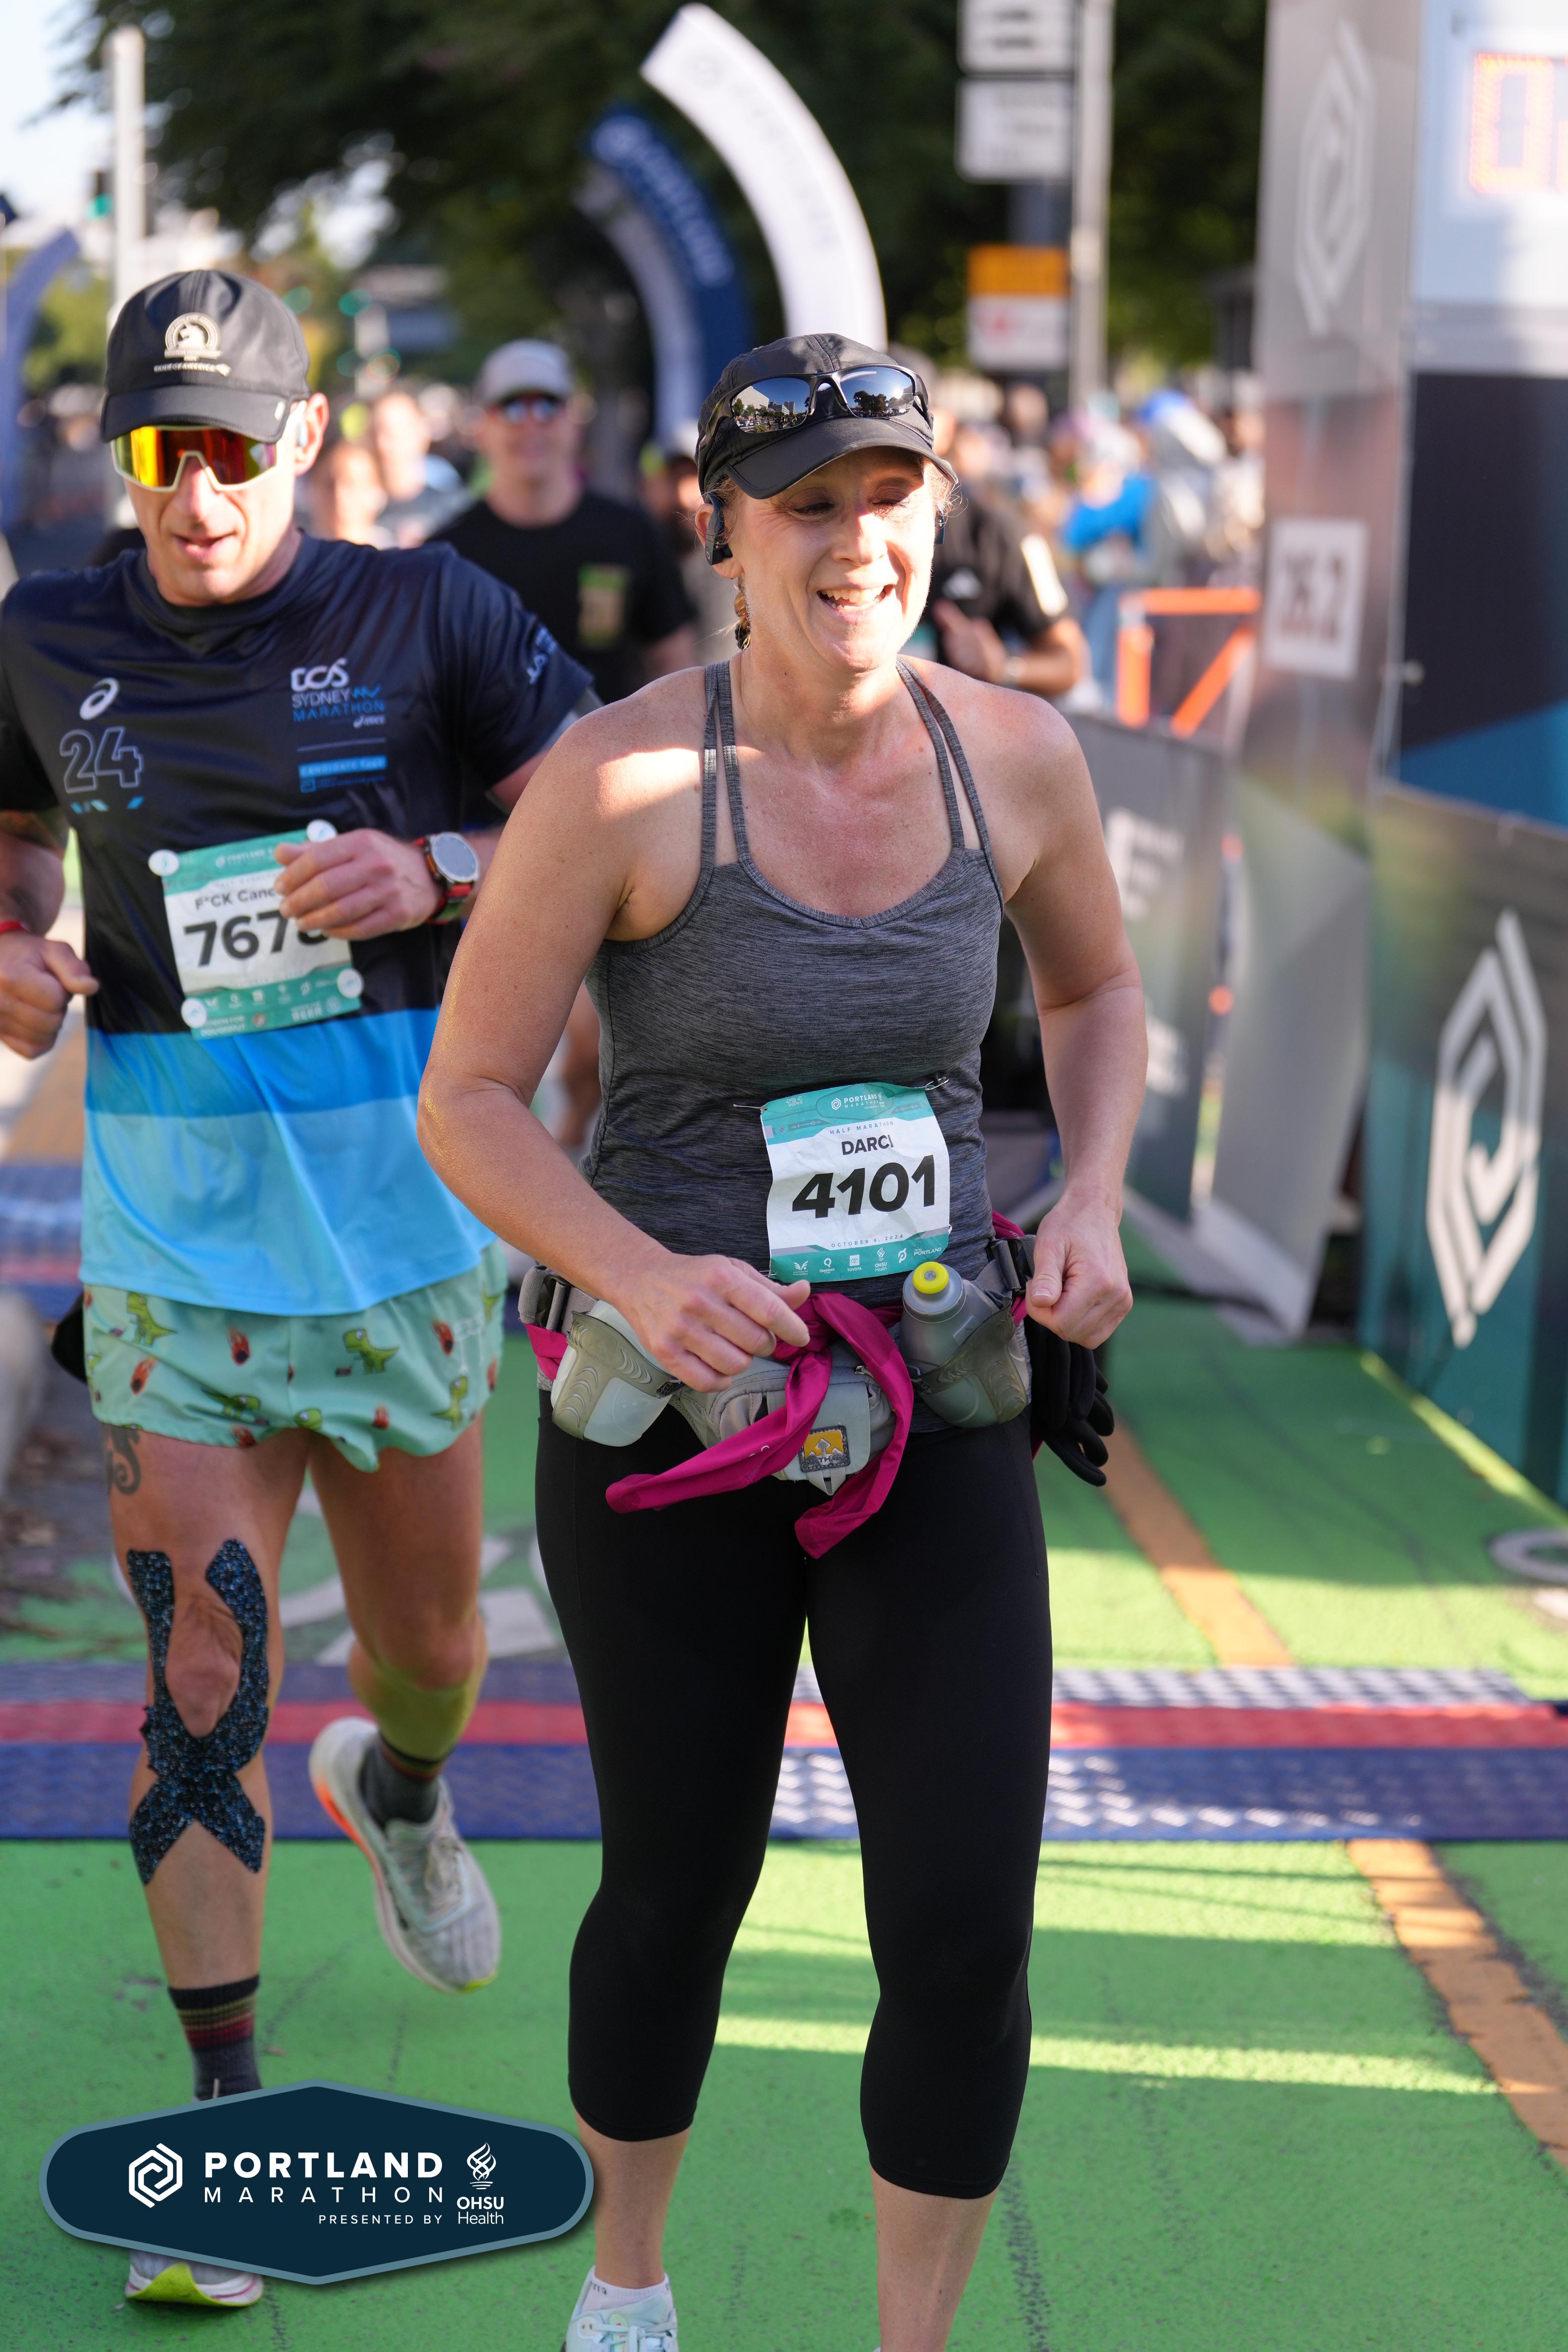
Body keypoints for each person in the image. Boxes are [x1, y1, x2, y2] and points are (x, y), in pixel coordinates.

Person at [419, 331, 1144, 2352]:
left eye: (888, 497)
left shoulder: (1014, 755)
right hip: (670, 1425)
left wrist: (1090, 1194)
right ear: (719, 531)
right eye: (806, 505)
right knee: (677, 1887)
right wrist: (639, 1274)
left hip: (937, 1396)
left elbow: (1096, 993)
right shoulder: (622, 778)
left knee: (963, 1920)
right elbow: (469, 1099)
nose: (856, 543)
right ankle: (627, 2288)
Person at [0, 268, 591, 2312]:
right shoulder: (44, 636)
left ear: (309, 439)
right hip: (172, 1254)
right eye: (161, 453)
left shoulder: (430, 616)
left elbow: (608, 818)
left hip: (403, 1233)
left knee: (429, 1651)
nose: (197, 493)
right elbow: (6, 847)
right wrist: (14, 949)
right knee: (199, 1677)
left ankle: (404, 1792)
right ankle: (226, 2125)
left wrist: (437, 869)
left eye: (235, 451)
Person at [431, 340, 695, 704]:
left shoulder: (630, 533)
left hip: (614, 739)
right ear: (483, 428)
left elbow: (674, 661)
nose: (530, 425)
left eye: (546, 406)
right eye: (511, 407)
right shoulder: (447, 555)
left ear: (573, 422)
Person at [365, 387, 467, 544]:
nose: (382, 445)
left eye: (394, 434)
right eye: (374, 433)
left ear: (421, 433)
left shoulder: (450, 499)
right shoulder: (350, 502)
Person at [306, 433, 391, 545]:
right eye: (329, 485)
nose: (338, 496)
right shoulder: (292, 552)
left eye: (350, 484)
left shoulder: (398, 552)